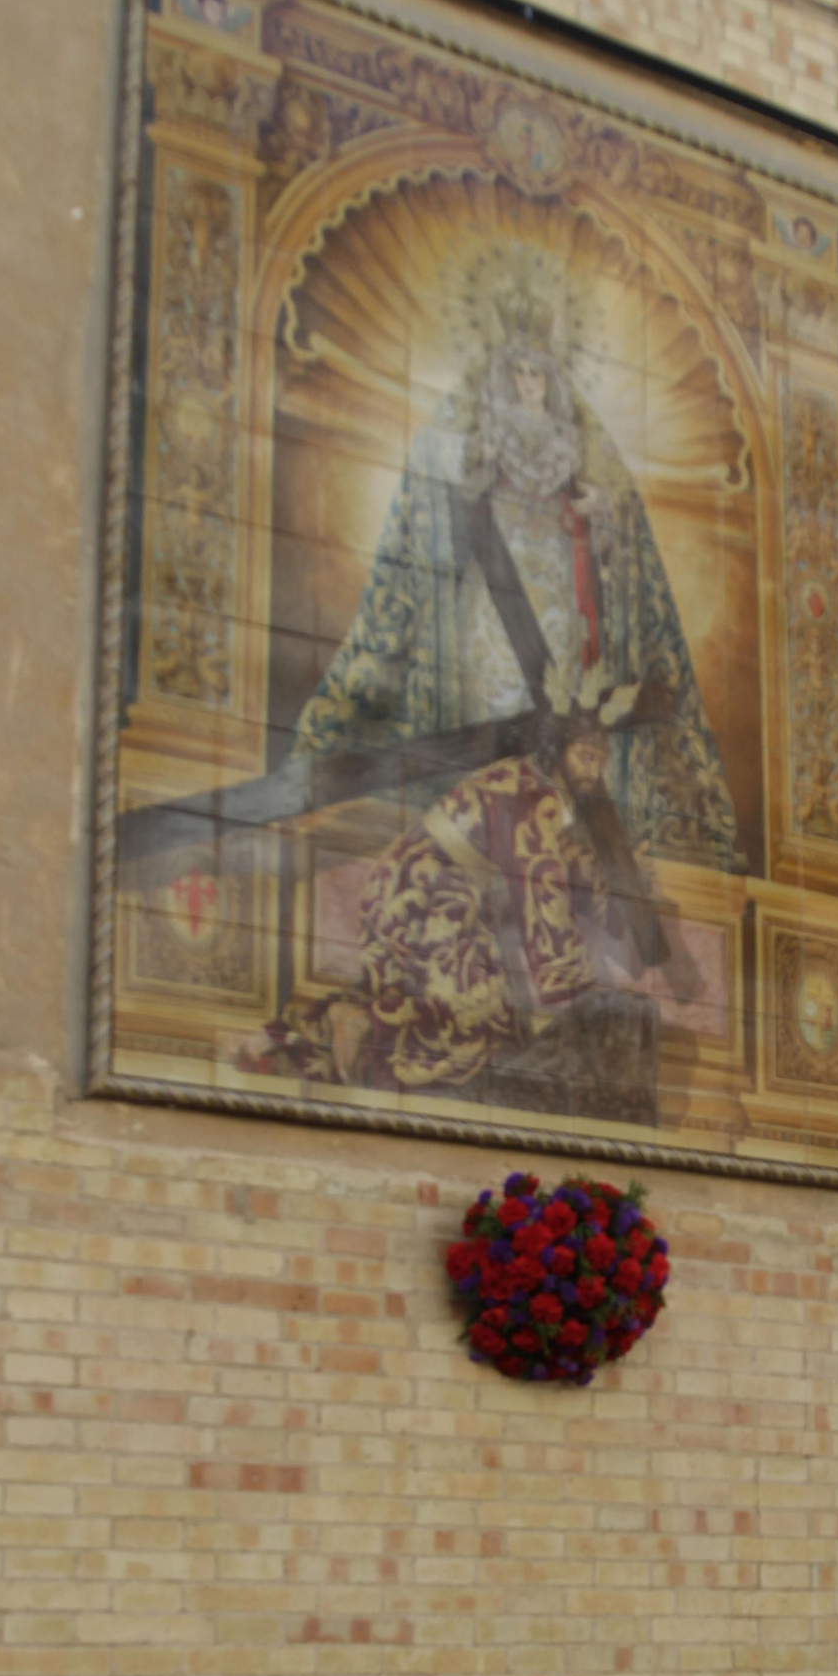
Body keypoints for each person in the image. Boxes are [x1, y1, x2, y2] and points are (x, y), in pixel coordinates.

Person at [288, 279, 740, 872]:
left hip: (556, 584)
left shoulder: (580, 439)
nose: (529, 384)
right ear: (506, 375)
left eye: (538, 375)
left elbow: (617, 520)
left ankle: (551, 813)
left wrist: (599, 511)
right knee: (489, 687)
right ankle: (484, 808)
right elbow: (441, 483)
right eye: (520, 373)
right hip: (493, 590)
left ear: (552, 380)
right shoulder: (478, 423)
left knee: (554, 697)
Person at [237, 689, 687, 1126]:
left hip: (423, 889)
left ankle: (329, 1026)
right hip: (426, 888)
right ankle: (361, 1027)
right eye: (585, 757)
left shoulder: (535, 788)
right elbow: (542, 887)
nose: (593, 771)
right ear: (559, 749)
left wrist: (623, 881)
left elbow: (564, 866)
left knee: (447, 1004)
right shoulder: (536, 795)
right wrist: (571, 985)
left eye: (600, 760)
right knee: (471, 1014)